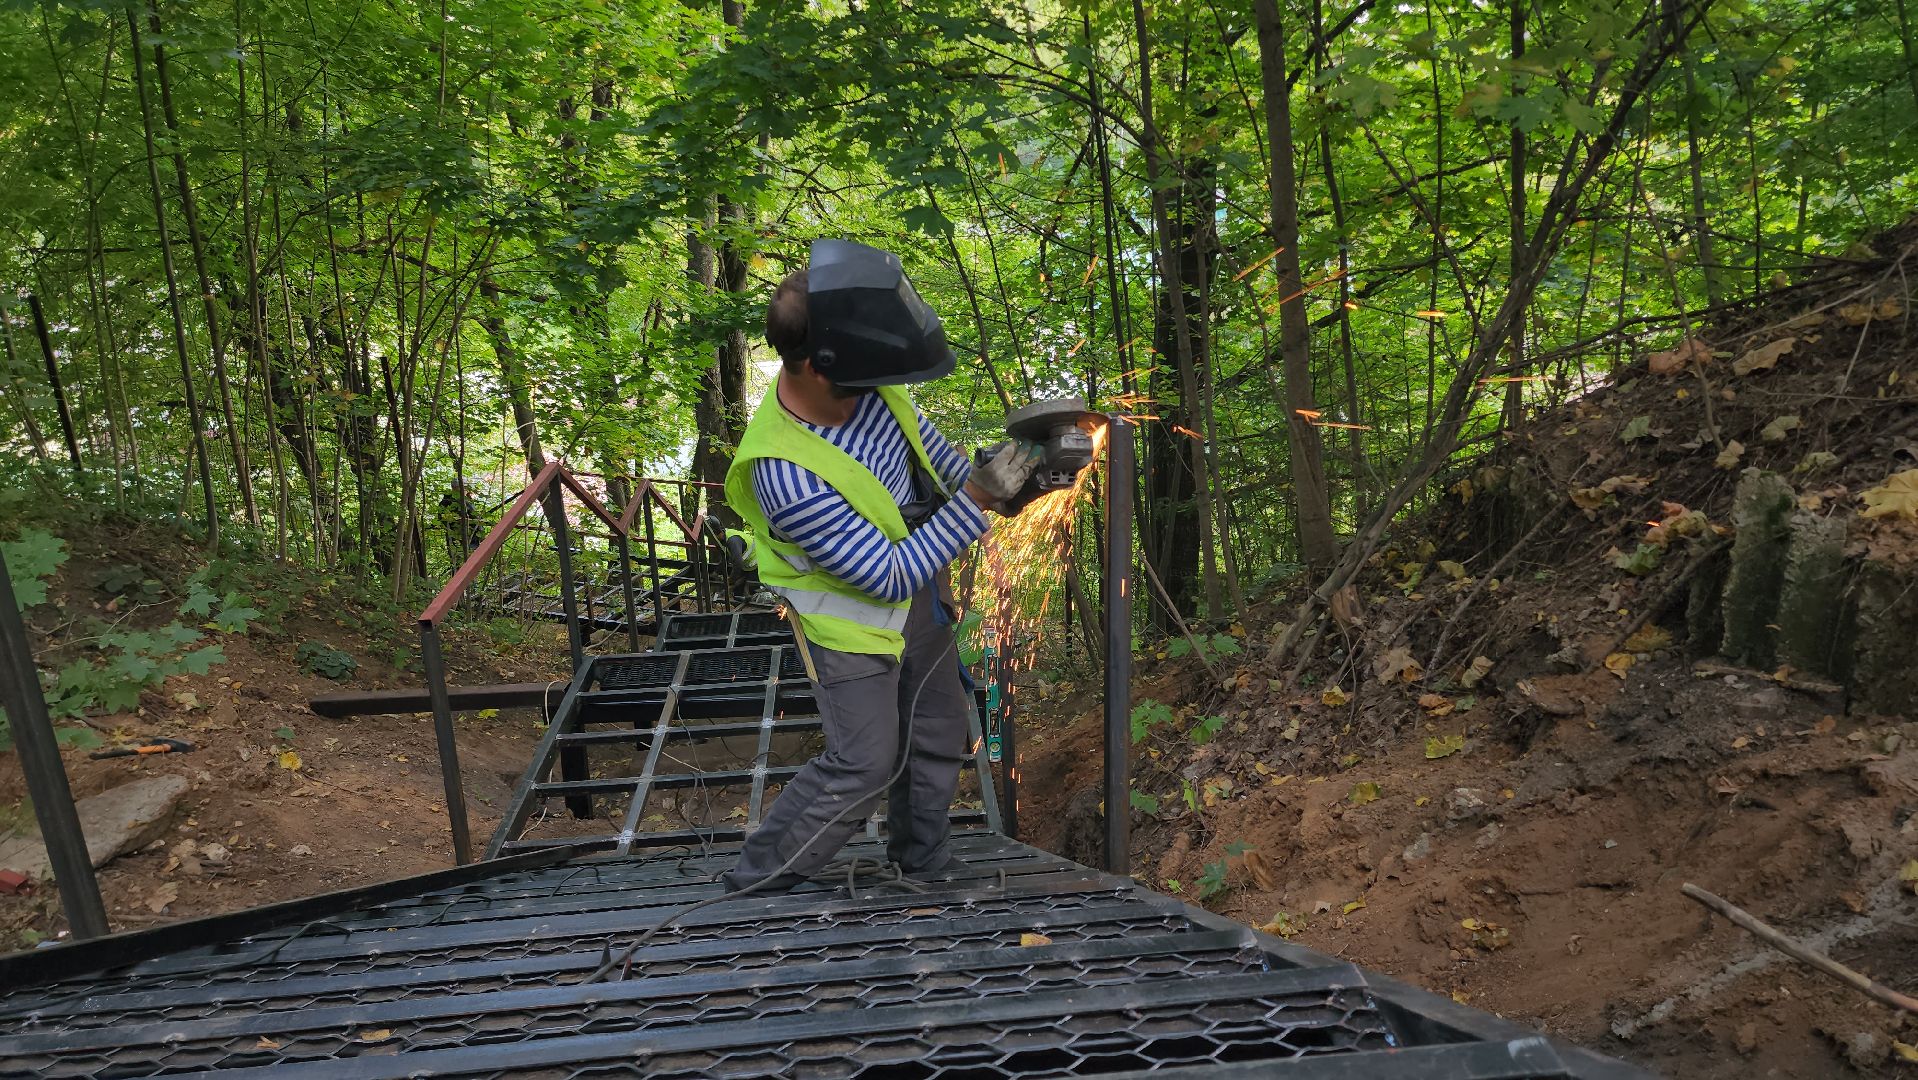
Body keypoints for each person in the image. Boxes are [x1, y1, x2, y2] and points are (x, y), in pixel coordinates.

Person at [721, 239, 1040, 892]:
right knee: (864, 762)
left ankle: (922, 862)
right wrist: (977, 502)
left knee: (939, 730)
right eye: (859, 385)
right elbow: (883, 575)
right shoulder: (783, 470)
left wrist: (1010, 479)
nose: (871, 394)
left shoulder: (871, 382)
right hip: (850, 618)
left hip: (917, 587)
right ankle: (760, 880)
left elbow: (937, 462)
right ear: (816, 368)